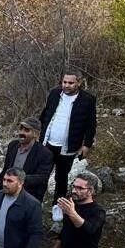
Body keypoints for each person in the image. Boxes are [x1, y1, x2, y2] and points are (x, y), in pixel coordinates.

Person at [39, 70, 97, 202]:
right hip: (47, 143)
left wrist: (87, 145)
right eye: (64, 82)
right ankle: (37, 202)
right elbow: (45, 114)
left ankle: (57, 205)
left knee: (61, 178)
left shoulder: (87, 99)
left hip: (68, 146)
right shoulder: (54, 93)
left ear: (79, 82)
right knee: (41, 174)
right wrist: (38, 133)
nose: (66, 85)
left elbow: (91, 124)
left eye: (71, 83)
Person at [0, 118, 53, 202]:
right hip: (8, 191)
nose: (21, 133)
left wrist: (19, 179)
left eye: (26, 130)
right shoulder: (13, 146)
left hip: (28, 195)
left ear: (35, 134)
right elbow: (6, 169)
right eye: (20, 129)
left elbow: (42, 177)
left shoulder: (44, 153)